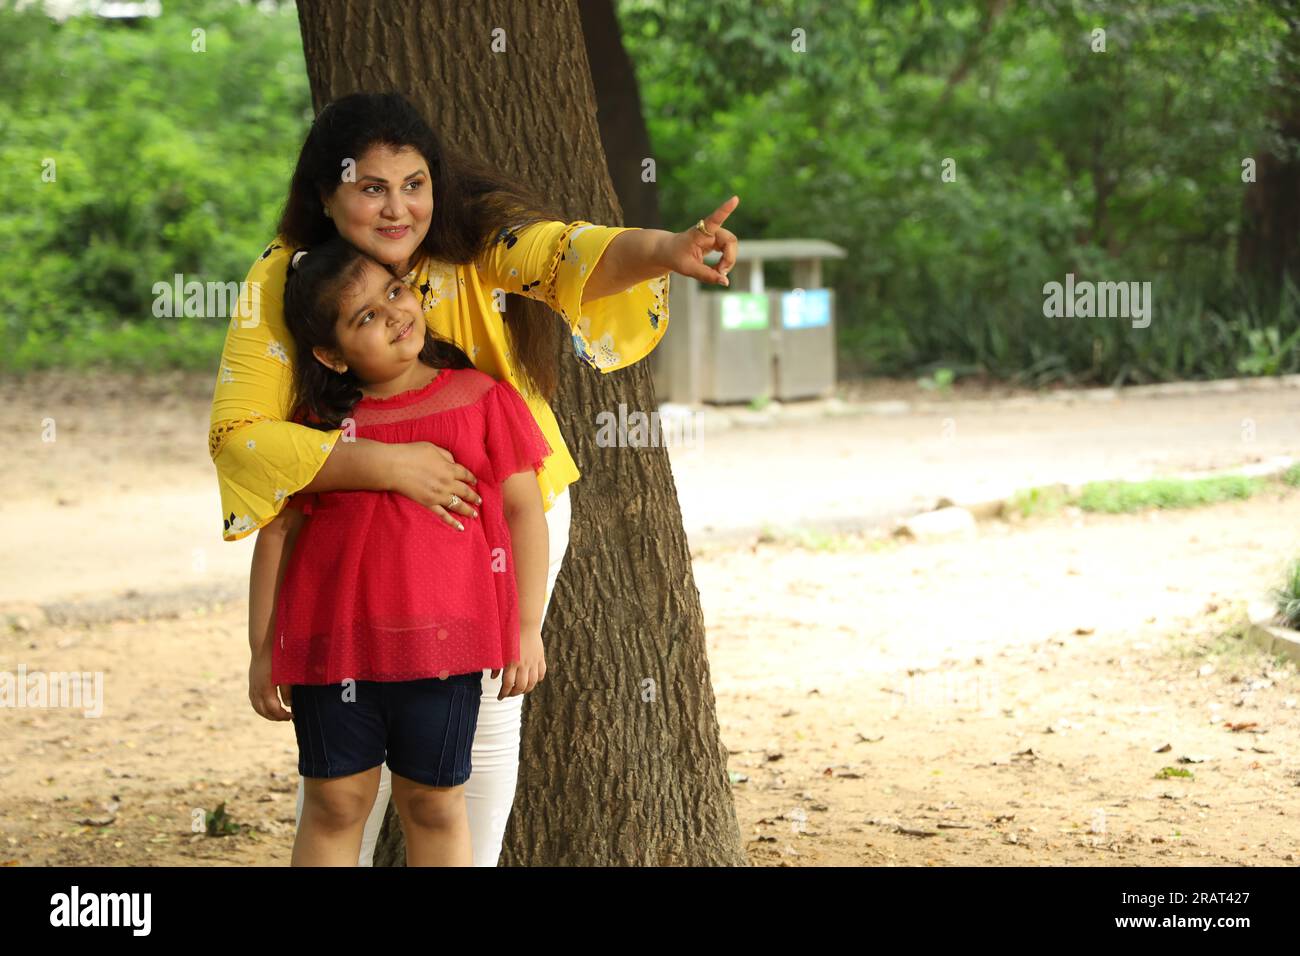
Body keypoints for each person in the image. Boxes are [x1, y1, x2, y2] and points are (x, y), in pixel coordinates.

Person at [211, 91, 739, 866]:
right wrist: (389, 466)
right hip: (347, 543)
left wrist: (663, 249)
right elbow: (241, 439)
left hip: (496, 517)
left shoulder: (474, 239)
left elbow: (565, 251)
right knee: (337, 782)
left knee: (477, 735)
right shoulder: (284, 280)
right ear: (326, 195)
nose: (399, 209)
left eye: (414, 183)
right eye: (371, 187)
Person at [248, 237, 551, 866]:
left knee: (435, 805)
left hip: (446, 645)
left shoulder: (480, 398)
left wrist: (526, 626)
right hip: (334, 647)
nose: (392, 314)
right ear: (330, 355)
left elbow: (525, 510)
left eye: (393, 291)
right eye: (364, 317)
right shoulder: (314, 431)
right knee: (333, 805)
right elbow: (278, 533)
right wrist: (261, 651)